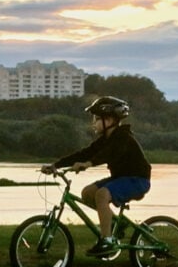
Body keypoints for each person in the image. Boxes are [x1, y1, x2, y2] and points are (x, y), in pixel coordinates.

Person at [43, 96, 151, 257]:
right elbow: (85, 152)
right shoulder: (106, 139)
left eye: (96, 119)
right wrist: (56, 165)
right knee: (87, 193)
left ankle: (107, 240)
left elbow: (109, 154)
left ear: (109, 120)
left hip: (137, 180)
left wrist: (88, 164)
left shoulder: (123, 137)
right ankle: (115, 223)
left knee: (102, 195)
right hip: (121, 178)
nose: (94, 123)